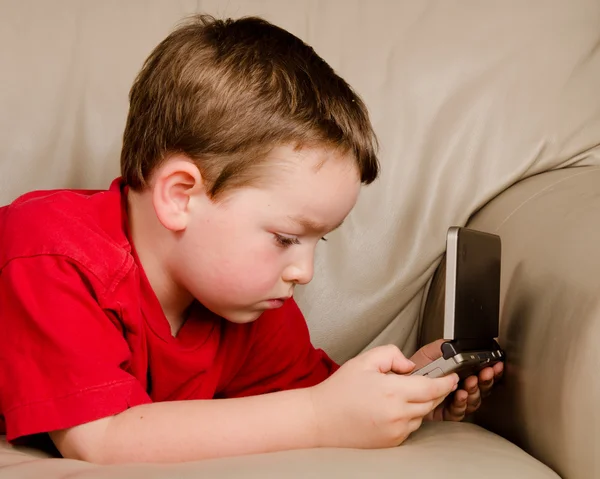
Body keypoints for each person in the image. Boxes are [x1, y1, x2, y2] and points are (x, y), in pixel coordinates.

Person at [0, 14, 502, 464]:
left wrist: (404, 395)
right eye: (285, 238)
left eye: (317, 242)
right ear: (179, 197)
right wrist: (318, 417)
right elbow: (101, 439)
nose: (303, 272)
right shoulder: (50, 254)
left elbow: (318, 400)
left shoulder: (253, 303)